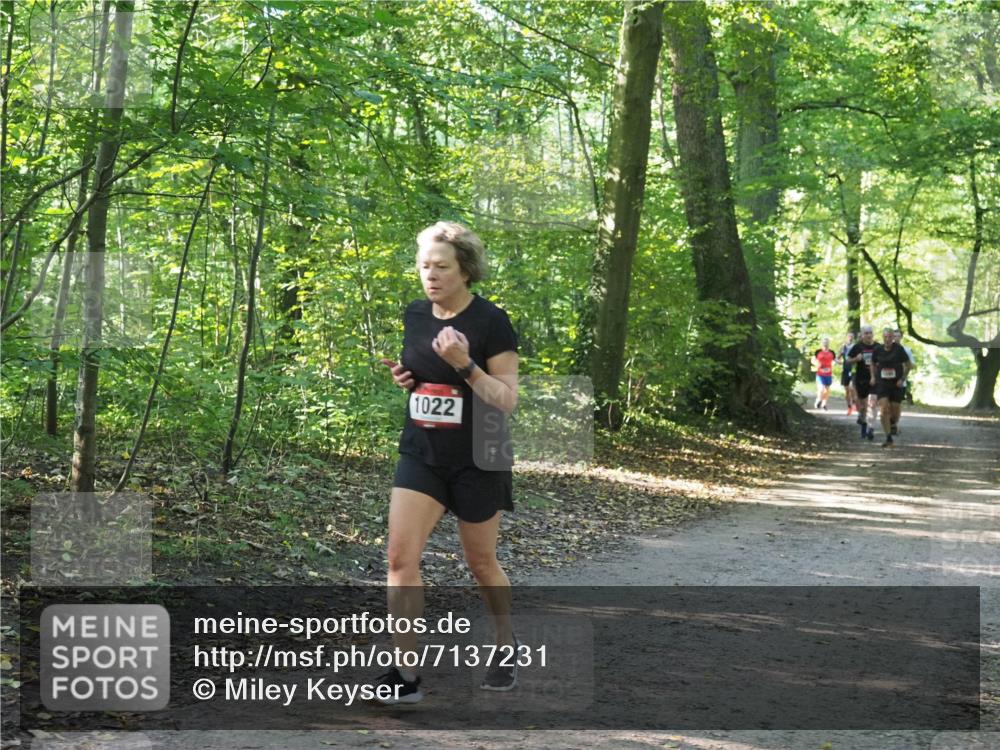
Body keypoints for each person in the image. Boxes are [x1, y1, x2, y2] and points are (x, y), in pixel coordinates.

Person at [378, 221, 520, 703]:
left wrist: (465, 364)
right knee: (400, 559)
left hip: (481, 454)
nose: (430, 275)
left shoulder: (491, 322)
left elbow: (505, 400)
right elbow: (424, 378)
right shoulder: (415, 315)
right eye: (424, 266)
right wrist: (406, 378)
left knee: (480, 563)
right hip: (423, 452)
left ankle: (505, 647)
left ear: (465, 271)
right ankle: (406, 677)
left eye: (441, 267)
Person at [871, 326, 912, 447]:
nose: (888, 339)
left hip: (896, 383)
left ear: (893, 338)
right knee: (884, 410)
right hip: (882, 383)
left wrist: (902, 379)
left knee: (895, 409)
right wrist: (873, 377)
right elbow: (873, 363)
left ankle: (893, 422)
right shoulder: (878, 349)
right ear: (883, 337)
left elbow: (908, 365)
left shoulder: (898, 349)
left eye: (890, 337)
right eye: (885, 337)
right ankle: (888, 438)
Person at [846, 325, 878, 440]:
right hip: (861, 379)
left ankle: (871, 429)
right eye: (866, 333)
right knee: (863, 405)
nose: (869, 335)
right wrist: (856, 359)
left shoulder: (878, 347)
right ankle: (863, 423)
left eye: (870, 333)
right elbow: (847, 360)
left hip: (874, 379)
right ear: (862, 335)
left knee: (872, 403)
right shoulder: (857, 347)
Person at [812, 337, 836, 410]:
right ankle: (818, 400)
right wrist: (817, 364)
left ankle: (824, 404)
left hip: (828, 373)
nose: (825, 343)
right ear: (822, 343)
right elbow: (813, 360)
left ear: (829, 343)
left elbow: (835, 360)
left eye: (827, 342)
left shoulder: (832, 352)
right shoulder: (818, 351)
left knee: (826, 390)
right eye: (824, 342)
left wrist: (837, 363)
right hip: (820, 374)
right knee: (821, 389)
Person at [894, 328, 915, 406]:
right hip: (889, 379)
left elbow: (912, 365)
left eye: (898, 336)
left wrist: (904, 365)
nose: (896, 338)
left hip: (901, 379)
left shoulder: (906, 350)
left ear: (901, 337)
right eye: (894, 336)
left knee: (897, 402)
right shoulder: (887, 349)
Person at [838, 332, 857, 415]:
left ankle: (854, 403)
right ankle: (849, 406)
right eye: (849, 336)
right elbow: (837, 358)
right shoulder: (843, 347)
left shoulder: (856, 347)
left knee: (852, 388)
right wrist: (838, 361)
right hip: (845, 369)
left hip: (853, 370)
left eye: (852, 337)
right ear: (846, 338)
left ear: (854, 338)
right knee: (847, 390)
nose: (850, 338)